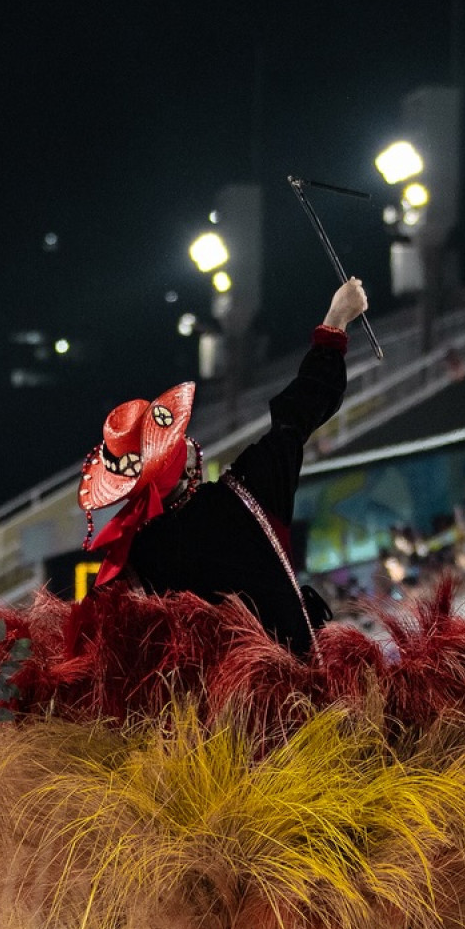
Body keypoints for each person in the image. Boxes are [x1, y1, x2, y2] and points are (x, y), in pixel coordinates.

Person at [80, 278, 369, 654]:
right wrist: (335, 323)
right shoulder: (246, 492)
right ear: (185, 466)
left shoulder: (136, 564)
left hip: (208, 713)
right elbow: (297, 416)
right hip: (302, 699)